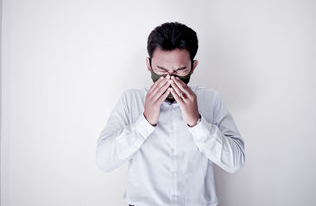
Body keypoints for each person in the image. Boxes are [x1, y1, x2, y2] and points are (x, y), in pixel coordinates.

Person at [95, 22, 246, 206]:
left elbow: (236, 162)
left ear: (193, 67)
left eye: (180, 70)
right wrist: (145, 122)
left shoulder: (211, 100)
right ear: (148, 65)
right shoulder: (130, 100)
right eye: (161, 70)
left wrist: (197, 123)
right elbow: (104, 160)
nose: (170, 79)